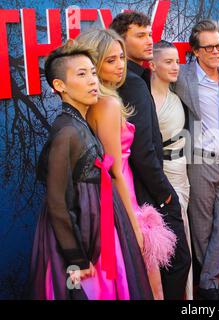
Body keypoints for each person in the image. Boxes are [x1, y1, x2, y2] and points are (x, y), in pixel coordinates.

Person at [29, 40, 153, 300]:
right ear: (59, 86)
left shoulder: (79, 123)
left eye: (93, 73)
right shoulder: (66, 132)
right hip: (81, 240)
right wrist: (77, 259)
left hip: (98, 229)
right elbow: (58, 203)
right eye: (81, 75)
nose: (92, 81)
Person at [77, 29, 177, 300]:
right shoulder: (107, 104)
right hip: (122, 197)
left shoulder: (92, 101)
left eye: (121, 57)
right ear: (93, 62)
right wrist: (133, 223)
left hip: (110, 197)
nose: (120, 65)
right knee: (148, 283)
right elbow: (115, 170)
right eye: (110, 60)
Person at [110, 12, 191, 300]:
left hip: (137, 189)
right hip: (148, 191)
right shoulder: (131, 83)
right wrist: (166, 195)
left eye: (149, 34)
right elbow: (143, 150)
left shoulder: (137, 77)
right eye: (140, 35)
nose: (148, 41)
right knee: (178, 261)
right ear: (120, 40)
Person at [173, 19, 219, 300]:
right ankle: (210, 284)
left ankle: (208, 280)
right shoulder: (183, 77)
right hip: (199, 161)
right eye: (209, 47)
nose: (216, 52)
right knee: (201, 225)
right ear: (195, 51)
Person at [149, 40, 194, 300]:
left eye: (177, 61)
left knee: (183, 232)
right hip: (163, 176)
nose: (175, 66)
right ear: (152, 65)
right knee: (170, 240)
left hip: (182, 170)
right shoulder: (147, 101)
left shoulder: (177, 95)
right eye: (168, 61)